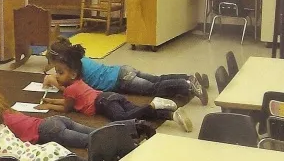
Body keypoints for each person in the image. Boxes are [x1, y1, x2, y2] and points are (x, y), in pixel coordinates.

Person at [36, 44, 194, 132]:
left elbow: (67, 107)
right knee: (145, 97)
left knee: (124, 117)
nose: (56, 75)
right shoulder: (78, 67)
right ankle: (171, 112)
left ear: (72, 73)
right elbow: (69, 98)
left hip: (113, 90)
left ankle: (157, 102)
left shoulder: (72, 86)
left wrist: (48, 105)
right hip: (117, 81)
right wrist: (50, 98)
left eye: (59, 72)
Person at [42, 37, 209, 105]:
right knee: (157, 79)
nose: (58, 73)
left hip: (123, 80)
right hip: (123, 70)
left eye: (59, 70)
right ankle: (189, 77)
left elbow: (75, 91)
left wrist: (55, 83)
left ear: (67, 66)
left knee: (153, 89)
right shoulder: (79, 60)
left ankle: (187, 85)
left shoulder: (76, 71)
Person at [0, 89, 95, 148]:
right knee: (92, 132)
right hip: (53, 120)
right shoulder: (11, 112)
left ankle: (108, 143)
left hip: (46, 130)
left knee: (87, 141)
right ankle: (110, 133)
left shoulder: (0, 123)